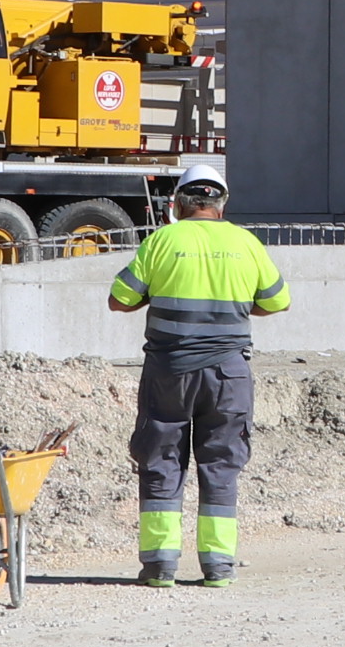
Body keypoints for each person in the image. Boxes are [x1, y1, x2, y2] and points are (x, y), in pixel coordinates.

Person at [106, 170, 288, 584]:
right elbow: (277, 301)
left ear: (178, 204)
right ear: (222, 205)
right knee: (221, 465)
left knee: (161, 461)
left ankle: (159, 566)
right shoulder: (246, 243)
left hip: (169, 369)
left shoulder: (163, 241)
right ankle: (218, 568)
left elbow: (119, 301)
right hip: (229, 373)